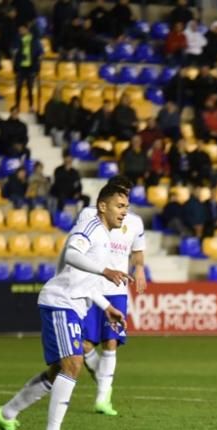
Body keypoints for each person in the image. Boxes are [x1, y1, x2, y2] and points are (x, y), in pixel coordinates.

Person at [0, 184, 131, 430]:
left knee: (58, 372)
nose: (124, 213)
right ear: (103, 206)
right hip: (60, 302)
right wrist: (106, 270)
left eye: (126, 207)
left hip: (75, 305)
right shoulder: (89, 228)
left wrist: (105, 306)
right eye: (119, 206)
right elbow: (72, 255)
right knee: (74, 364)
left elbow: (84, 280)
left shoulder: (104, 236)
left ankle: (6, 414)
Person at [79, 176, 147, 416]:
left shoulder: (135, 222)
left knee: (111, 342)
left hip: (117, 289)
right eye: (120, 195)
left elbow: (138, 252)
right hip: (91, 285)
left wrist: (139, 269)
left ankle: (103, 398)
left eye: (127, 195)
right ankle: (103, 379)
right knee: (84, 343)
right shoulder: (88, 215)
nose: (124, 200)